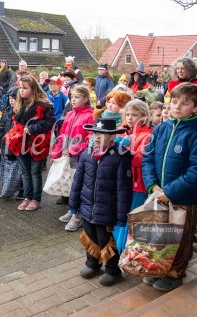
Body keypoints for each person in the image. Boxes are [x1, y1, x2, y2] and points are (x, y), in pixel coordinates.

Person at [142, 82, 197, 292]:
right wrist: (152, 185)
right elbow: (147, 158)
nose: (176, 107)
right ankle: (160, 267)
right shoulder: (162, 128)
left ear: (195, 108)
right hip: (159, 195)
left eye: (184, 103)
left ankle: (175, 273)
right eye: (174, 102)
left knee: (181, 238)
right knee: (161, 235)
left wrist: (170, 192)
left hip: (184, 199)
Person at [71, 118, 132, 285]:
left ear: (112, 137)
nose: (97, 137)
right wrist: (74, 204)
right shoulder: (87, 153)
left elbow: (123, 189)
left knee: (105, 239)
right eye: (95, 133)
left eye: (103, 134)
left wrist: (121, 215)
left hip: (107, 208)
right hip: (87, 206)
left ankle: (113, 270)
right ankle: (93, 263)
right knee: (90, 236)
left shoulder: (121, 157)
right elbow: (78, 180)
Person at [8, 75, 55, 211]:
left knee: (35, 172)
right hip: (20, 142)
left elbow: (50, 122)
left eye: (25, 88)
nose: (21, 91)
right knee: (25, 172)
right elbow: (15, 122)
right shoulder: (19, 105)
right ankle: (27, 197)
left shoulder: (43, 105)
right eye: (20, 88)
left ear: (33, 88)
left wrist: (33, 128)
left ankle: (36, 198)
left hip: (37, 143)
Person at [50, 85, 94, 230]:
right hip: (67, 156)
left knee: (79, 186)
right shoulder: (70, 114)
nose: (73, 100)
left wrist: (74, 149)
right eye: (72, 97)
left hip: (80, 158)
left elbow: (90, 140)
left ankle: (78, 215)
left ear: (86, 99)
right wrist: (55, 153)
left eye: (77, 97)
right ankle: (73, 209)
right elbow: (62, 135)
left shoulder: (90, 115)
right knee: (71, 186)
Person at [112, 99, 153, 253]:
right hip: (121, 183)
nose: (129, 118)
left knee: (133, 217)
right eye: (127, 114)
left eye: (134, 115)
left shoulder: (148, 135)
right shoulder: (121, 132)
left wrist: (123, 153)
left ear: (144, 116)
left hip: (137, 184)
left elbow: (142, 160)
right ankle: (117, 248)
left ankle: (130, 252)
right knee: (120, 215)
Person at [0, 89, 22, 199]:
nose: (11, 101)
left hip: (18, 145)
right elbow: (1, 129)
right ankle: (8, 189)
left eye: (14, 99)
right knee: (8, 167)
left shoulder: (22, 112)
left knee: (19, 169)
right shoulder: (6, 111)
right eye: (10, 99)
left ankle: (21, 189)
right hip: (6, 144)